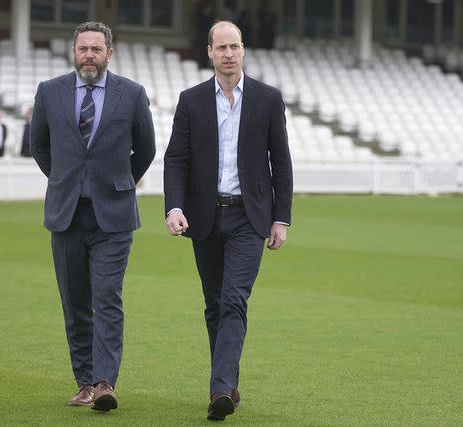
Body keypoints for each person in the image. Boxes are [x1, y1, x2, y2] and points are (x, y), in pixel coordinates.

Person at [163, 21, 293, 421]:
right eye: (221, 47)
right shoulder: (191, 100)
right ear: (209, 52)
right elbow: (176, 159)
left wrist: (281, 219)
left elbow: (281, 162)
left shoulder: (268, 99)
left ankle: (218, 390)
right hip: (203, 217)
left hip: (249, 217)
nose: (229, 54)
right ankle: (229, 384)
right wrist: (174, 207)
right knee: (215, 305)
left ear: (243, 50)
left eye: (234, 46)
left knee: (235, 298)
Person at [30, 21, 155, 412]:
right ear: (74, 51)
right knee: (75, 303)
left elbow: (146, 150)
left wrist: (116, 184)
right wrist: (70, 181)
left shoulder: (131, 95)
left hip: (113, 218)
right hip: (66, 215)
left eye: (96, 49)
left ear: (109, 54)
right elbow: (39, 147)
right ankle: (83, 382)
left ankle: (104, 383)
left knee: (107, 297)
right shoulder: (49, 93)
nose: (89, 55)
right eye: (83, 48)